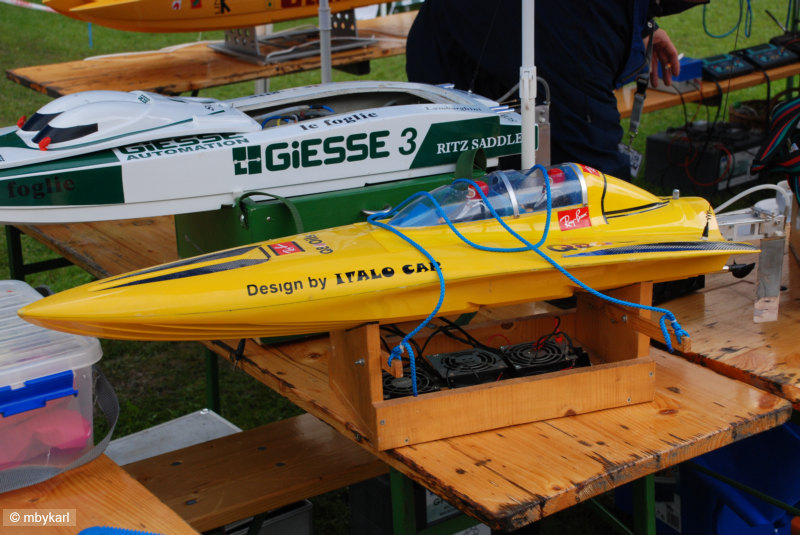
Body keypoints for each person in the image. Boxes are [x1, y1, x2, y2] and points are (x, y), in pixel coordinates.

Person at [406, 0, 707, 179]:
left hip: (508, 37)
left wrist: (640, 25)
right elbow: (594, 168)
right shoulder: (579, 31)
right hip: (467, 51)